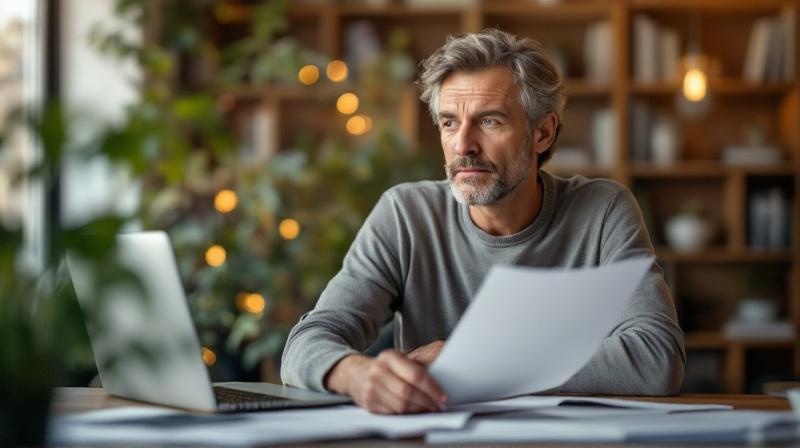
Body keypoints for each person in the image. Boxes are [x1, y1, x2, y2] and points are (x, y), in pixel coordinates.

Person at [281, 28, 685, 415]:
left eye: (490, 121)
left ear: (542, 133)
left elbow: (657, 357)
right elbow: (306, 345)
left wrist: (468, 364)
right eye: (449, 122)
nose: (462, 146)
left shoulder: (603, 211)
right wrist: (357, 374)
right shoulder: (405, 215)